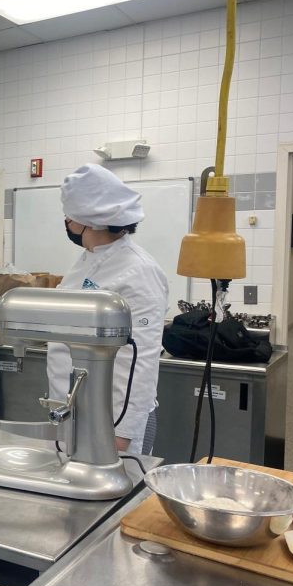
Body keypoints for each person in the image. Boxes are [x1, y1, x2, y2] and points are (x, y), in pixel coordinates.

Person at [47, 164, 169, 456]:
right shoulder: (85, 262)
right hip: (74, 410)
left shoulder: (138, 271)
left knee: (117, 498)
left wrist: (119, 432)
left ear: (85, 221)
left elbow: (138, 360)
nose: (66, 222)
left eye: (69, 216)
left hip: (111, 423)